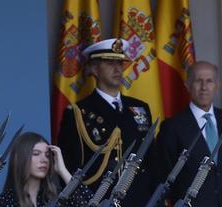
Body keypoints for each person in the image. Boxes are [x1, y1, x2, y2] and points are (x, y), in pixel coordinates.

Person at [56, 39, 154, 197]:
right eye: (109, 62)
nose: (117, 68)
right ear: (94, 68)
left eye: (120, 63)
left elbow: (152, 159)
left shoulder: (139, 107)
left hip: (139, 198)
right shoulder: (79, 112)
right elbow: (71, 164)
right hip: (99, 199)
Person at [156, 61, 222, 207]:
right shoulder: (172, 126)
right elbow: (165, 173)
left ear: (217, 85)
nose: (204, 87)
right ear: (187, 85)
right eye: (198, 81)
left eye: (209, 81)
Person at [0, 132, 91, 207]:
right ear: (21, 159)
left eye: (47, 155)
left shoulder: (58, 197)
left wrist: (62, 170)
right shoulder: (5, 201)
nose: (44, 160)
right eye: (36, 154)